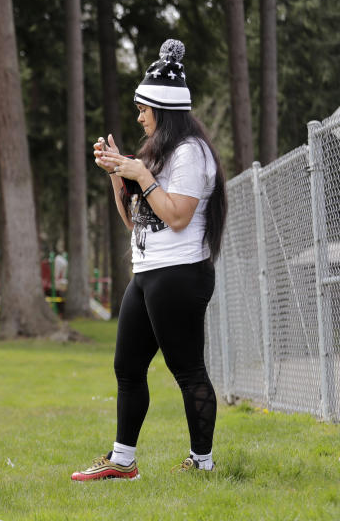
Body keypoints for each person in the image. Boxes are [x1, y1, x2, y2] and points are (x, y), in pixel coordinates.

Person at [72, 39, 227, 481]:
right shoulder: (155, 153)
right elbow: (136, 223)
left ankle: (203, 462)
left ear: (163, 109)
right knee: (127, 366)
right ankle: (123, 461)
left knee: (187, 370)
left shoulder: (191, 153)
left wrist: (139, 173)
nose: (139, 117)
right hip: (148, 273)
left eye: (144, 109)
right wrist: (119, 178)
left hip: (180, 274)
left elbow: (178, 216)